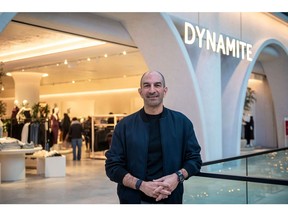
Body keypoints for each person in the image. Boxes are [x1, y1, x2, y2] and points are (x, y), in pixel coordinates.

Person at [105, 70, 202, 204]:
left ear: (164, 90)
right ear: (140, 92)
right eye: (147, 85)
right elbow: (112, 167)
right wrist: (141, 185)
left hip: (171, 199)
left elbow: (195, 160)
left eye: (157, 85)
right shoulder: (124, 125)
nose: (152, 90)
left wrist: (176, 177)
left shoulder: (182, 123)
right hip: (133, 200)